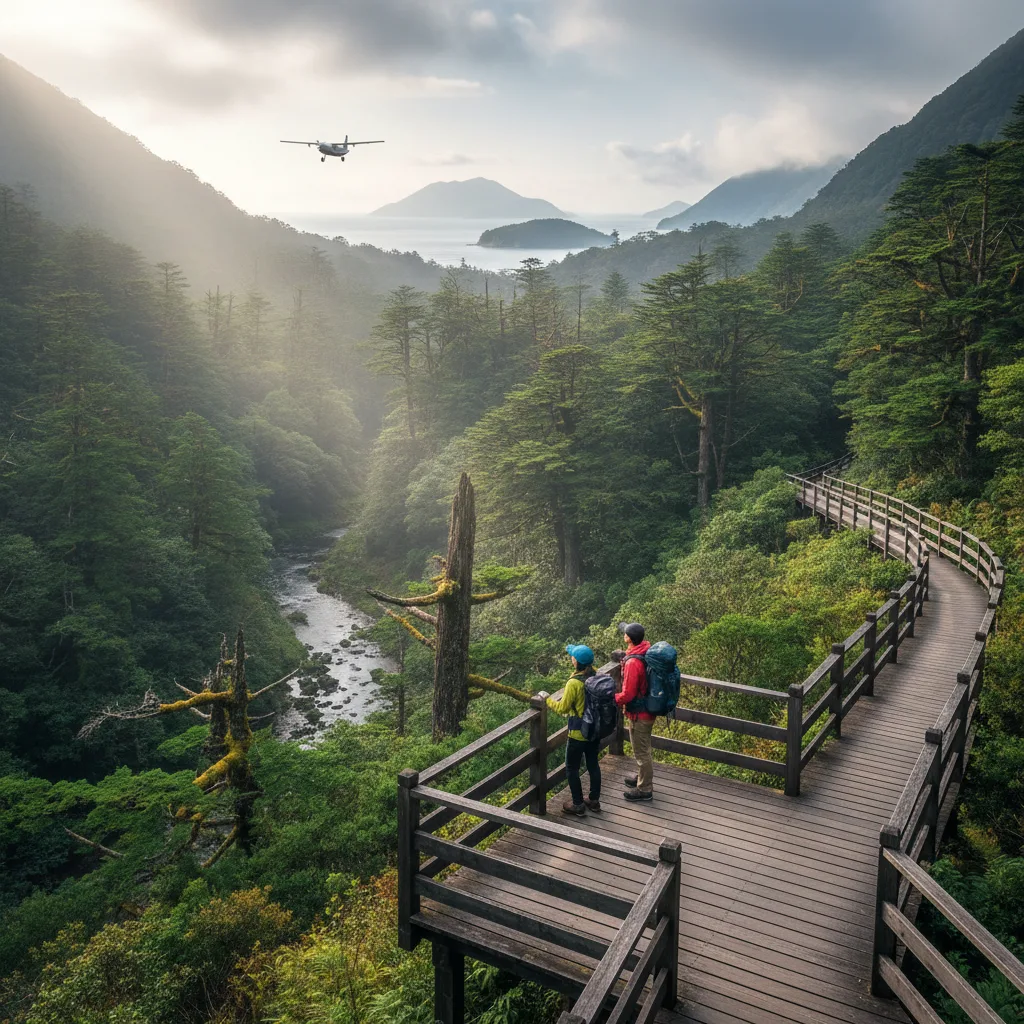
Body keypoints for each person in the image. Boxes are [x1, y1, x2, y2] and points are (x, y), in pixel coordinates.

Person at [544, 644, 602, 816]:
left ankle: (578, 804)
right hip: (595, 730)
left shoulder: (574, 683)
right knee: (593, 764)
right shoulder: (597, 675)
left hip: (578, 732)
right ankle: (594, 800)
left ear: (576, 662)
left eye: (573, 657)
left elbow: (562, 708)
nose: (571, 658)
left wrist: (547, 699)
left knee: (572, 768)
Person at [614, 622, 654, 801]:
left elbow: (628, 694)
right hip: (647, 708)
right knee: (643, 747)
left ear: (629, 638)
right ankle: (641, 777)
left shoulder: (633, 663)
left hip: (640, 713)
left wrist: (612, 698)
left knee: (641, 752)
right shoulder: (645, 650)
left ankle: (645, 789)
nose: (624, 634)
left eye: (625, 633)